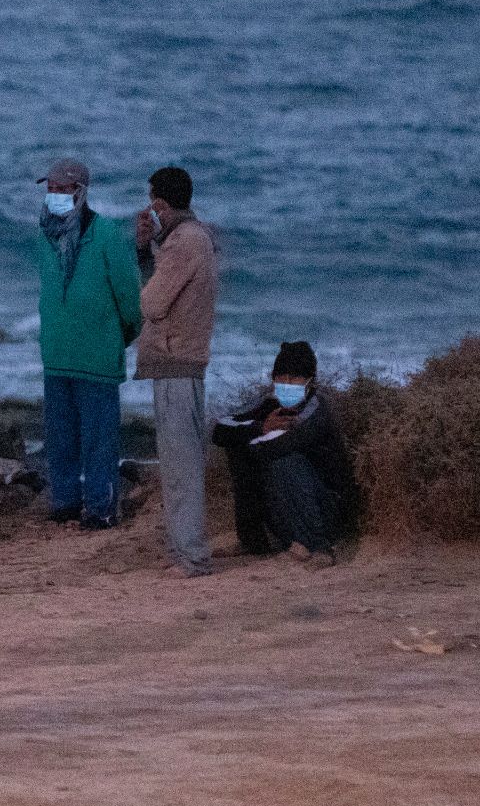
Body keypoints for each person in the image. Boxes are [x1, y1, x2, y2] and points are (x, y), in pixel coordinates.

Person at [35, 157, 142, 529]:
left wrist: (118, 335)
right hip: (56, 353)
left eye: (62, 189)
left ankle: (101, 507)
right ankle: (64, 499)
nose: (54, 196)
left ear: (80, 192)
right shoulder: (44, 235)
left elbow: (130, 297)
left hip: (96, 355)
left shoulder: (106, 233)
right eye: (50, 189)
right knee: (60, 435)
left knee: (99, 438)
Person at [134, 166, 219, 577]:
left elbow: (151, 304)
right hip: (180, 361)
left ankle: (193, 555)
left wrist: (153, 253)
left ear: (160, 203)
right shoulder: (190, 239)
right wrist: (148, 249)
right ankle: (186, 549)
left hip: (176, 362)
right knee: (178, 460)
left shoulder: (184, 242)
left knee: (181, 463)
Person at [212, 341, 354, 567]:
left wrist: (252, 436)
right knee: (238, 446)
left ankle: (319, 548)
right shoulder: (269, 403)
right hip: (286, 511)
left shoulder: (316, 408)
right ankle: (253, 541)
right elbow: (220, 429)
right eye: (282, 377)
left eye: (295, 378)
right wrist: (259, 428)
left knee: (286, 461)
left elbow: (281, 445)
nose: (287, 384)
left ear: (310, 381)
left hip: (326, 511)